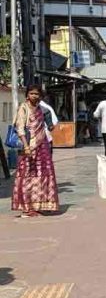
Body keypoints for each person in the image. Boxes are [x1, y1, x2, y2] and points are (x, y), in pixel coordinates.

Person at [12, 85, 60, 217]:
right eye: (32, 93)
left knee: (42, 176)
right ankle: (27, 207)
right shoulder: (23, 108)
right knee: (27, 176)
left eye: (37, 94)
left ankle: (38, 205)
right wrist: (26, 146)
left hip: (43, 147)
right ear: (27, 95)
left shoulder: (42, 109)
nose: (35, 96)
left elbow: (51, 125)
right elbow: (20, 129)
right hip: (29, 147)